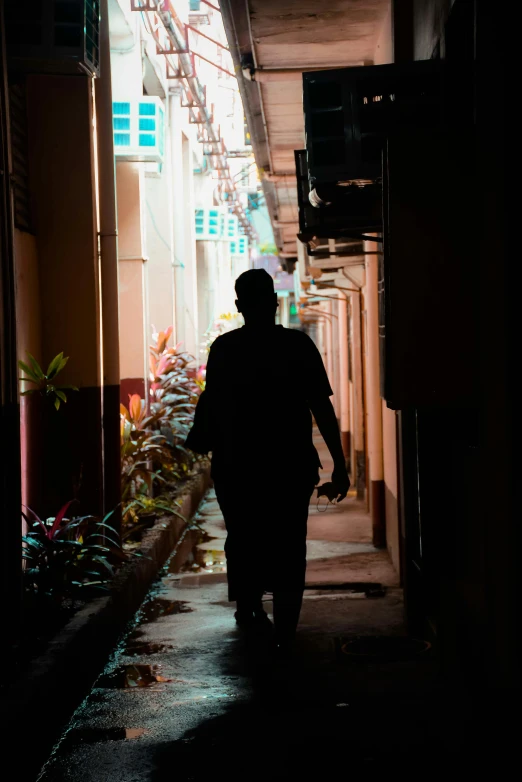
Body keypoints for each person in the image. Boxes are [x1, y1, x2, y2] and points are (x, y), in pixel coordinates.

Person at [185, 269, 350, 652]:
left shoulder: (224, 350)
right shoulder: (297, 346)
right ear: (275, 302)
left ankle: (249, 607)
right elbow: (321, 407)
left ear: (240, 306)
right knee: (290, 543)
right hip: (289, 468)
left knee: (244, 537)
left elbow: (214, 408)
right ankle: (286, 631)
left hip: (237, 468)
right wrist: (340, 464)